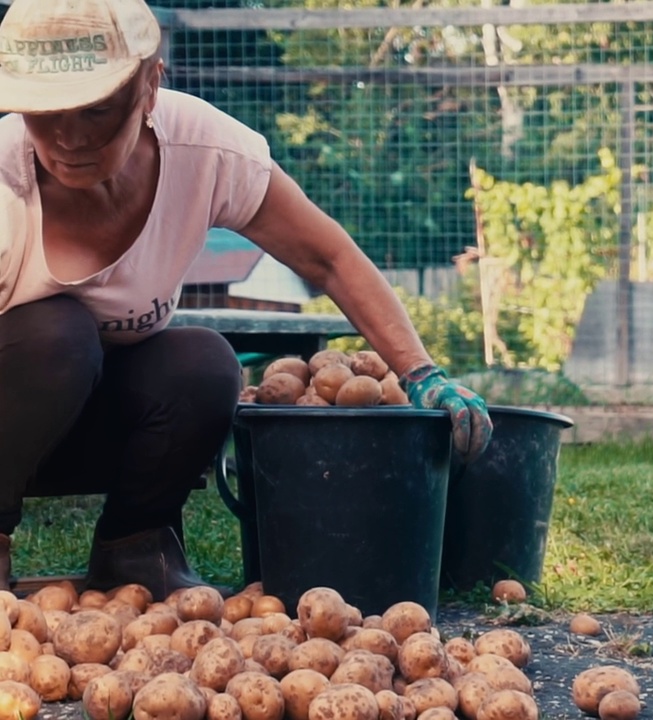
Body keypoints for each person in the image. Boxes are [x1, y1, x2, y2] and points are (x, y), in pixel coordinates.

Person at [0, 0, 493, 598]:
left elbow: (328, 257)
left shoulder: (203, 151)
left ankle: (134, 548)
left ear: (149, 85)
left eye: (97, 109)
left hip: (89, 423)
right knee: (58, 338)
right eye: (45, 112)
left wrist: (422, 373)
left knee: (203, 365)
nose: (69, 137)